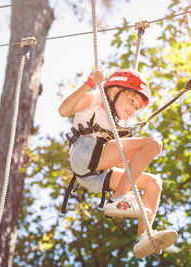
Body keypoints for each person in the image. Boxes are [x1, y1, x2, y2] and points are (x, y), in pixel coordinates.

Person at [58, 68, 177, 258]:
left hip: (95, 175)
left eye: (137, 107)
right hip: (85, 152)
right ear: (114, 92)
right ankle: (118, 198)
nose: (132, 109)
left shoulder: (120, 126)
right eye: (131, 101)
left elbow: (125, 168)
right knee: (154, 144)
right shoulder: (96, 99)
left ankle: (143, 237)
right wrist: (89, 83)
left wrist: (130, 156)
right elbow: (63, 110)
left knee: (154, 183)